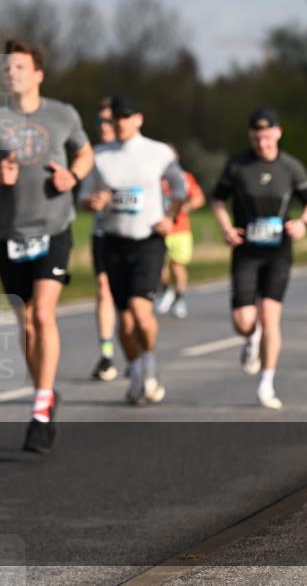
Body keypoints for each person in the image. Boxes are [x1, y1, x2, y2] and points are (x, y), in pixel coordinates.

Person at [0, 39, 93, 453]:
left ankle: (39, 410)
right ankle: (45, 392)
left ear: (38, 74)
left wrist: (73, 176)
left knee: (42, 313)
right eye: (7, 68)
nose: (11, 73)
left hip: (54, 227)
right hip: (9, 233)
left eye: (19, 67)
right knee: (27, 324)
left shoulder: (63, 113)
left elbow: (85, 155)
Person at [79, 96, 186, 406]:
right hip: (114, 241)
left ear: (138, 119)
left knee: (141, 311)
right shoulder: (100, 156)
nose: (120, 123)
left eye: (126, 117)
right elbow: (83, 197)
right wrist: (92, 202)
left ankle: (149, 360)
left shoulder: (158, 152)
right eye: (115, 118)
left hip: (148, 240)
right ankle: (137, 367)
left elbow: (180, 189)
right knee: (124, 321)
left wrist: (170, 217)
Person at [210, 107, 307, 410]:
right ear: (251, 136)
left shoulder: (291, 167)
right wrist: (226, 228)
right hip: (246, 253)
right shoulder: (238, 165)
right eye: (257, 137)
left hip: (278, 253)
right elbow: (218, 200)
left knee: (271, 316)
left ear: (278, 133)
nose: (262, 142)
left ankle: (266, 384)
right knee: (243, 321)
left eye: (268, 136)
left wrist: (303, 223)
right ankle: (251, 336)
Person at [87, 97, 120, 381]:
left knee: (132, 300)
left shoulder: (136, 152)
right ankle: (107, 355)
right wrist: (91, 201)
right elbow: (83, 195)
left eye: (109, 120)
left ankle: (137, 352)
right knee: (103, 288)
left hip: (136, 236)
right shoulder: (93, 155)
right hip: (103, 232)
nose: (104, 126)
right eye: (100, 121)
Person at [154, 144, 205, 319]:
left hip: (180, 229)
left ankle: (179, 298)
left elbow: (198, 198)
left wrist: (185, 207)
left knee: (177, 265)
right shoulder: (154, 176)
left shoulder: (184, 177)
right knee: (157, 266)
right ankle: (165, 291)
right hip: (158, 228)